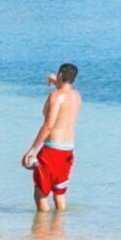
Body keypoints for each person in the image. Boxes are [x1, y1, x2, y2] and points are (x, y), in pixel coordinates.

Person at [23, 65, 81, 212]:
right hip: (68, 151)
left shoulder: (55, 97)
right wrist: (57, 82)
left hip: (52, 151)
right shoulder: (76, 96)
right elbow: (66, 92)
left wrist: (32, 150)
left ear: (60, 74)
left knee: (40, 194)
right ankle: (59, 231)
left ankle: (42, 232)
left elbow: (48, 125)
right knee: (59, 193)